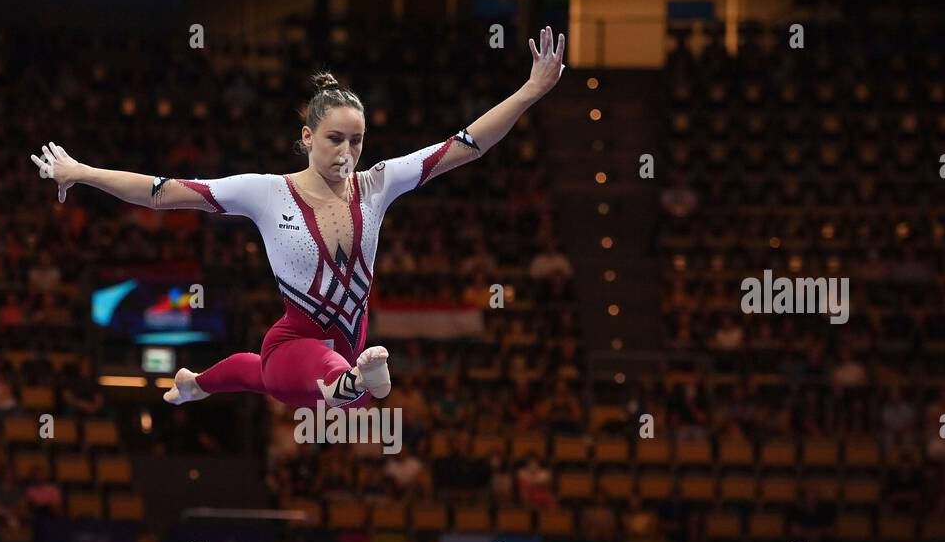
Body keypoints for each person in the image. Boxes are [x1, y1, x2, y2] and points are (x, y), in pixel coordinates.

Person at [30, 27, 567, 412]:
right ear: (307, 137)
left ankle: (202, 384)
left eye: (356, 140)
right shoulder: (266, 194)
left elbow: (466, 145)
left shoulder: (379, 184)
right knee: (306, 377)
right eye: (335, 138)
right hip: (295, 347)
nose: (346, 152)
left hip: (345, 354)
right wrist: (80, 170)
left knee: (283, 382)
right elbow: (160, 193)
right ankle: (347, 383)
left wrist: (530, 90)